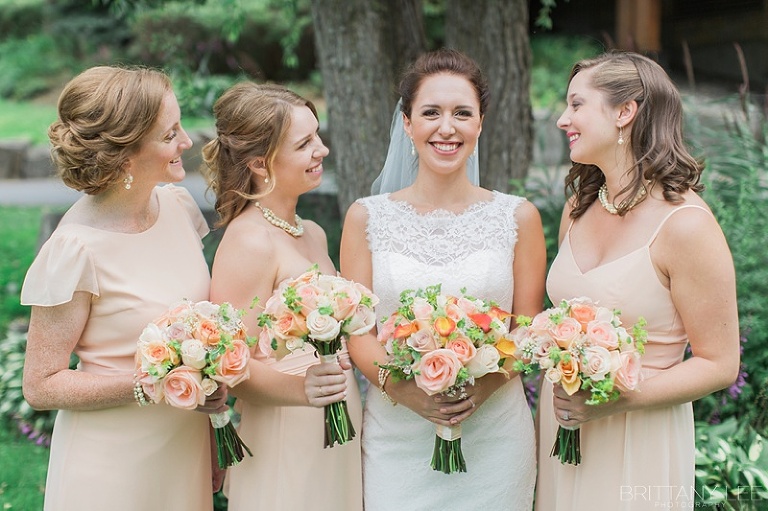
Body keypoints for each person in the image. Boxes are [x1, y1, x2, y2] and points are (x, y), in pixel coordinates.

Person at [340, 48, 546, 510]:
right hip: (397, 432)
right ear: (408, 123)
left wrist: (484, 385)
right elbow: (359, 333)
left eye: (462, 113)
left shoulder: (518, 217)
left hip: (495, 432)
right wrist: (408, 392)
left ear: (480, 122)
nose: (446, 127)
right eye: (430, 112)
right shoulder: (365, 218)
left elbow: (528, 328)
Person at [535, 51, 740, 510]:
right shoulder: (580, 207)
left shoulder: (685, 226)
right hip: (564, 429)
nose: (562, 119)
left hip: (639, 435)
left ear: (625, 112)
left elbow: (720, 363)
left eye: (576, 104)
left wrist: (619, 399)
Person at [20, 66, 226, 511]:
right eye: (170, 134)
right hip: (111, 467)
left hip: (182, 453)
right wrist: (152, 383)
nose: (187, 142)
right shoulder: (74, 251)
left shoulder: (176, 206)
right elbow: (41, 385)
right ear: (126, 155)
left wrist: (211, 427)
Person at [203, 82, 363, 511]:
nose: (322, 150)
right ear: (260, 162)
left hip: (338, 425)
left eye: (318, 136)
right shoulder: (249, 242)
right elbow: (228, 365)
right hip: (286, 430)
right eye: (305, 143)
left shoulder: (312, 232)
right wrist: (303, 389)